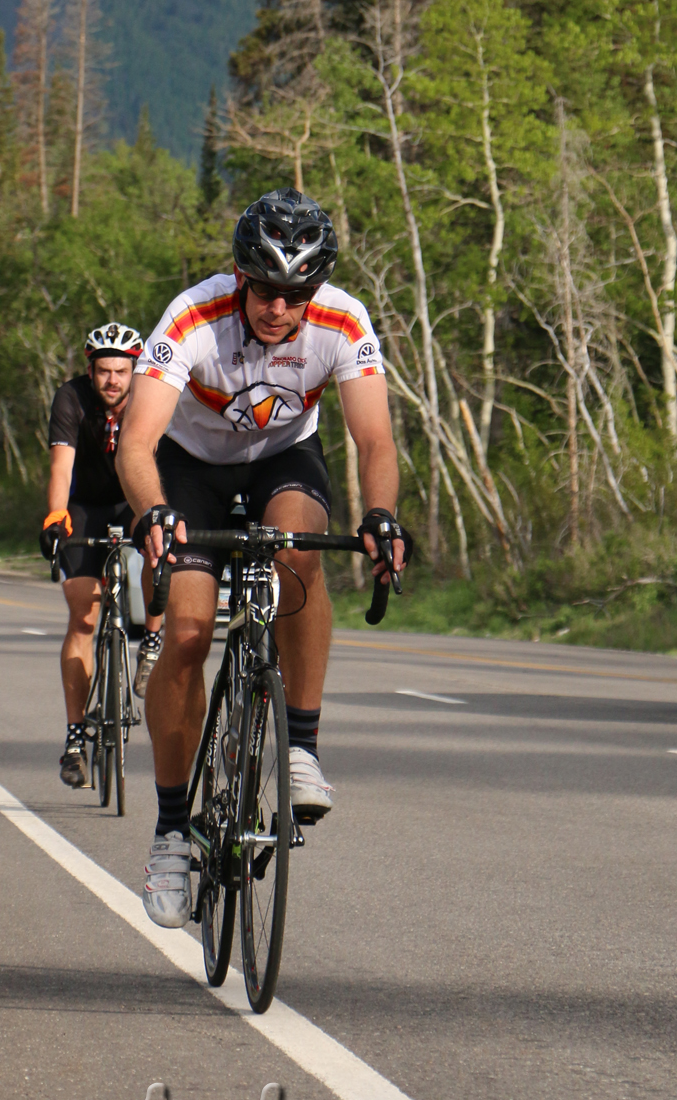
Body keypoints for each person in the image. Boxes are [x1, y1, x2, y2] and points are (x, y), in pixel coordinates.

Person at [116, 187, 409, 928]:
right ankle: (173, 832)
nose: (279, 309)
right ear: (240, 277)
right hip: (190, 469)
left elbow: (373, 439)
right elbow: (137, 440)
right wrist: (153, 510)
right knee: (185, 635)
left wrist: (381, 516)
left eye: (296, 294)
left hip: (283, 458)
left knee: (300, 550)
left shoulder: (343, 320)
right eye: (266, 291)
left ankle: (301, 747)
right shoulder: (192, 318)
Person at [40, 322, 163, 789]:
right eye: (104, 371)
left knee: (159, 548)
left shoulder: (151, 396)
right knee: (84, 618)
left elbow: (163, 461)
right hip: (86, 506)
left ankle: (151, 642)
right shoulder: (70, 399)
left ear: (136, 371)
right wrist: (55, 517)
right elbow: (61, 467)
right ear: (89, 371)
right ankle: (75, 740)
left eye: (122, 371)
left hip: (134, 498)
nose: (113, 381)